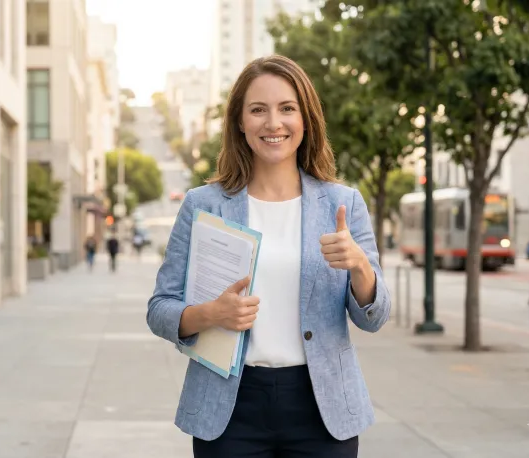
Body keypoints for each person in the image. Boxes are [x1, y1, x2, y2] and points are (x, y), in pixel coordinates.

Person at [147, 55, 391, 458]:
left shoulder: (342, 204)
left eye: (287, 109)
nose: (273, 123)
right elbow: (160, 308)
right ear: (240, 122)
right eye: (258, 110)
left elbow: (375, 317)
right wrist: (211, 315)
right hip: (229, 406)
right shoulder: (203, 205)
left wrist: (360, 265)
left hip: (322, 406)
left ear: (305, 119)